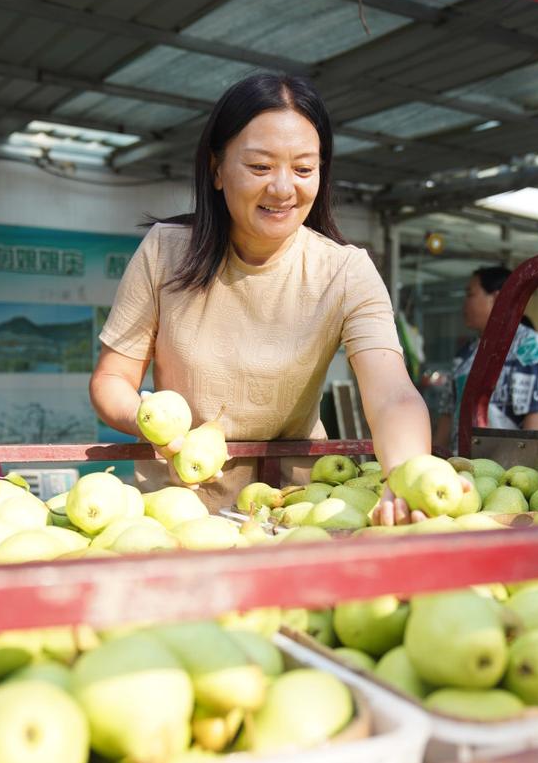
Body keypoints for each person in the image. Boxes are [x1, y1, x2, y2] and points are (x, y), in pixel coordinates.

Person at [90, 72, 435, 525]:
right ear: (216, 169)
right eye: (259, 167)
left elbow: (393, 395)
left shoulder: (346, 271)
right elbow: (112, 380)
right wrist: (149, 421)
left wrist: (406, 478)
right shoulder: (165, 251)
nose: (283, 188)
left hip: (296, 510)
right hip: (176, 510)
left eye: (304, 169)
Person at [433, 266, 538, 456]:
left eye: (470, 295)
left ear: (498, 299)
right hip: (462, 469)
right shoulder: (465, 353)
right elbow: (447, 415)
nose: (464, 304)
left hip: (506, 473)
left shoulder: (530, 347)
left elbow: (535, 426)